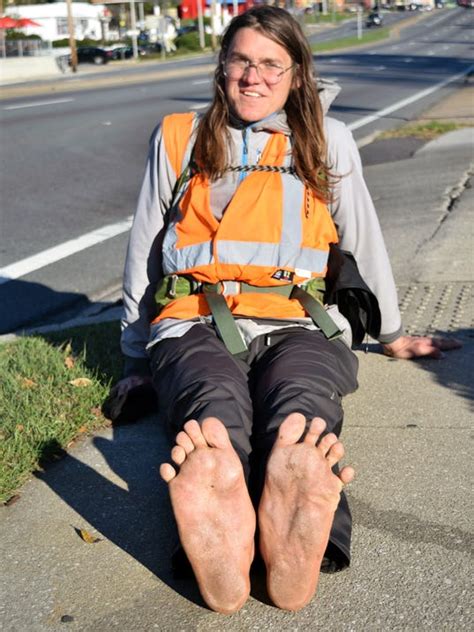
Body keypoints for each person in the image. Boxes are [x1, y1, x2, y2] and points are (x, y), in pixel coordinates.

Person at [116, 6, 460, 614]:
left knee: (300, 405)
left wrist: (393, 332)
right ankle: (223, 529)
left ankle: (289, 512)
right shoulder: (179, 137)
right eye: (242, 60)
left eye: (272, 64)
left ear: (297, 74)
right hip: (195, 317)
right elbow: (145, 246)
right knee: (211, 408)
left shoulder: (327, 140)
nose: (254, 77)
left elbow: (361, 237)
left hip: (300, 319)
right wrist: (135, 353)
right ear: (222, 66)